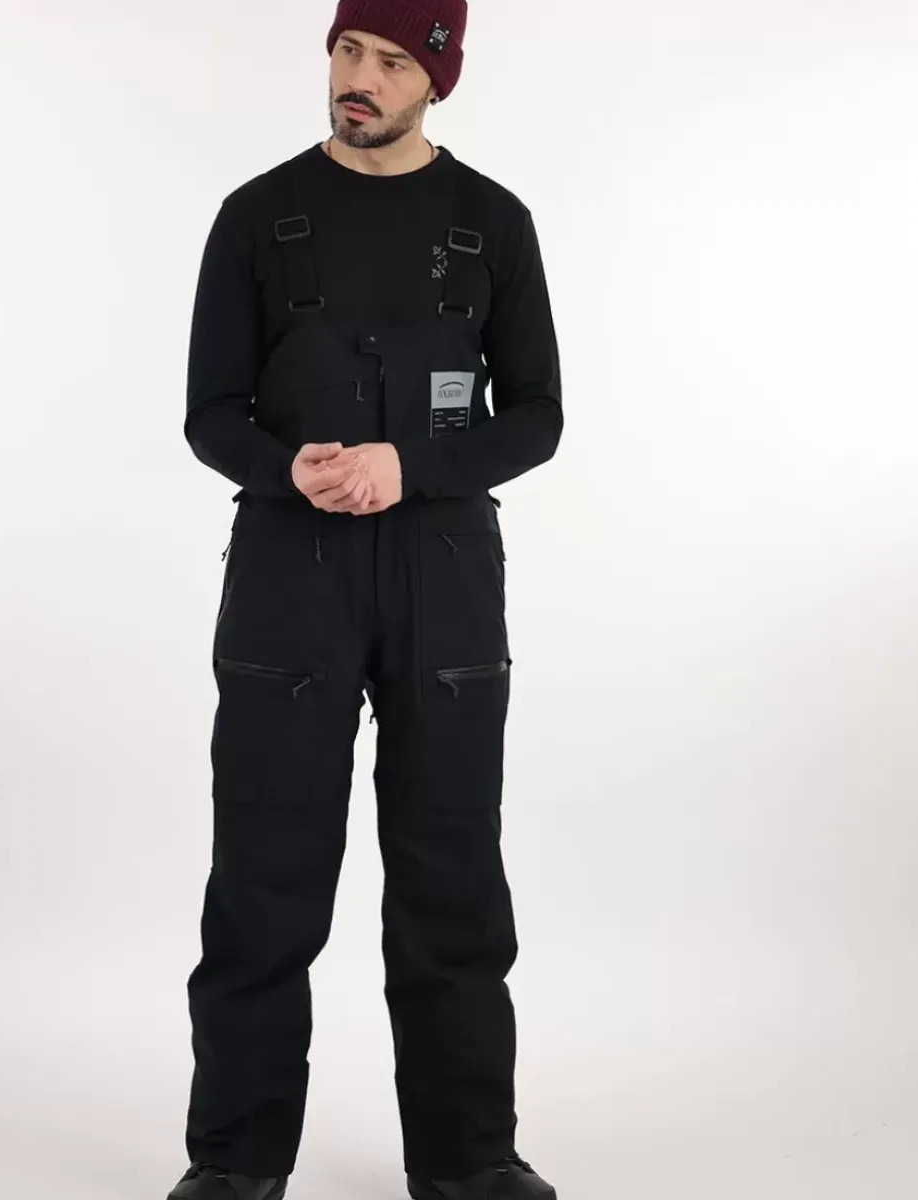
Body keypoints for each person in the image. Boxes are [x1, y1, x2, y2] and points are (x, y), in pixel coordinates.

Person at [171, 2, 563, 1197]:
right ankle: (234, 1164)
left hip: (445, 579)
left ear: (437, 78)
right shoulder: (256, 216)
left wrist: (414, 465)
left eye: (393, 61)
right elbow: (210, 413)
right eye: (349, 51)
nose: (362, 78)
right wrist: (282, 467)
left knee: (452, 882)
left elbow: (537, 418)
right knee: (263, 880)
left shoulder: (494, 223)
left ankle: (470, 1163)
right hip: (290, 574)